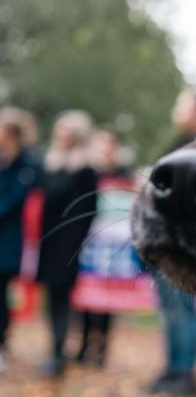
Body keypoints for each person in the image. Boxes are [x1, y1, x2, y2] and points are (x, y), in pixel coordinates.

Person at [148, 89, 196, 396]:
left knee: (184, 307)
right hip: (167, 240)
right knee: (170, 308)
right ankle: (172, 369)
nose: (177, 109)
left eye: (182, 104)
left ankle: (186, 373)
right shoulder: (180, 144)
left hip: (189, 244)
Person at [37, 111, 98, 377]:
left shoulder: (86, 170)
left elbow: (87, 211)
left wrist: (75, 243)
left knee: (63, 296)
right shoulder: (51, 164)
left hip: (69, 243)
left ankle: (59, 351)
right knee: (52, 296)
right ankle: (55, 346)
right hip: (48, 241)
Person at [75, 130, 125, 366]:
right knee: (86, 293)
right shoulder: (85, 172)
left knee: (107, 298)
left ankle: (102, 347)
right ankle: (84, 343)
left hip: (112, 245)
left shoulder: (122, 175)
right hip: (89, 241)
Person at [0, 112, 39, 372]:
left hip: (10, 241)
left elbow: (15, 202)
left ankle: (2, 343)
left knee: (2, 294)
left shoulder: (28, 166)